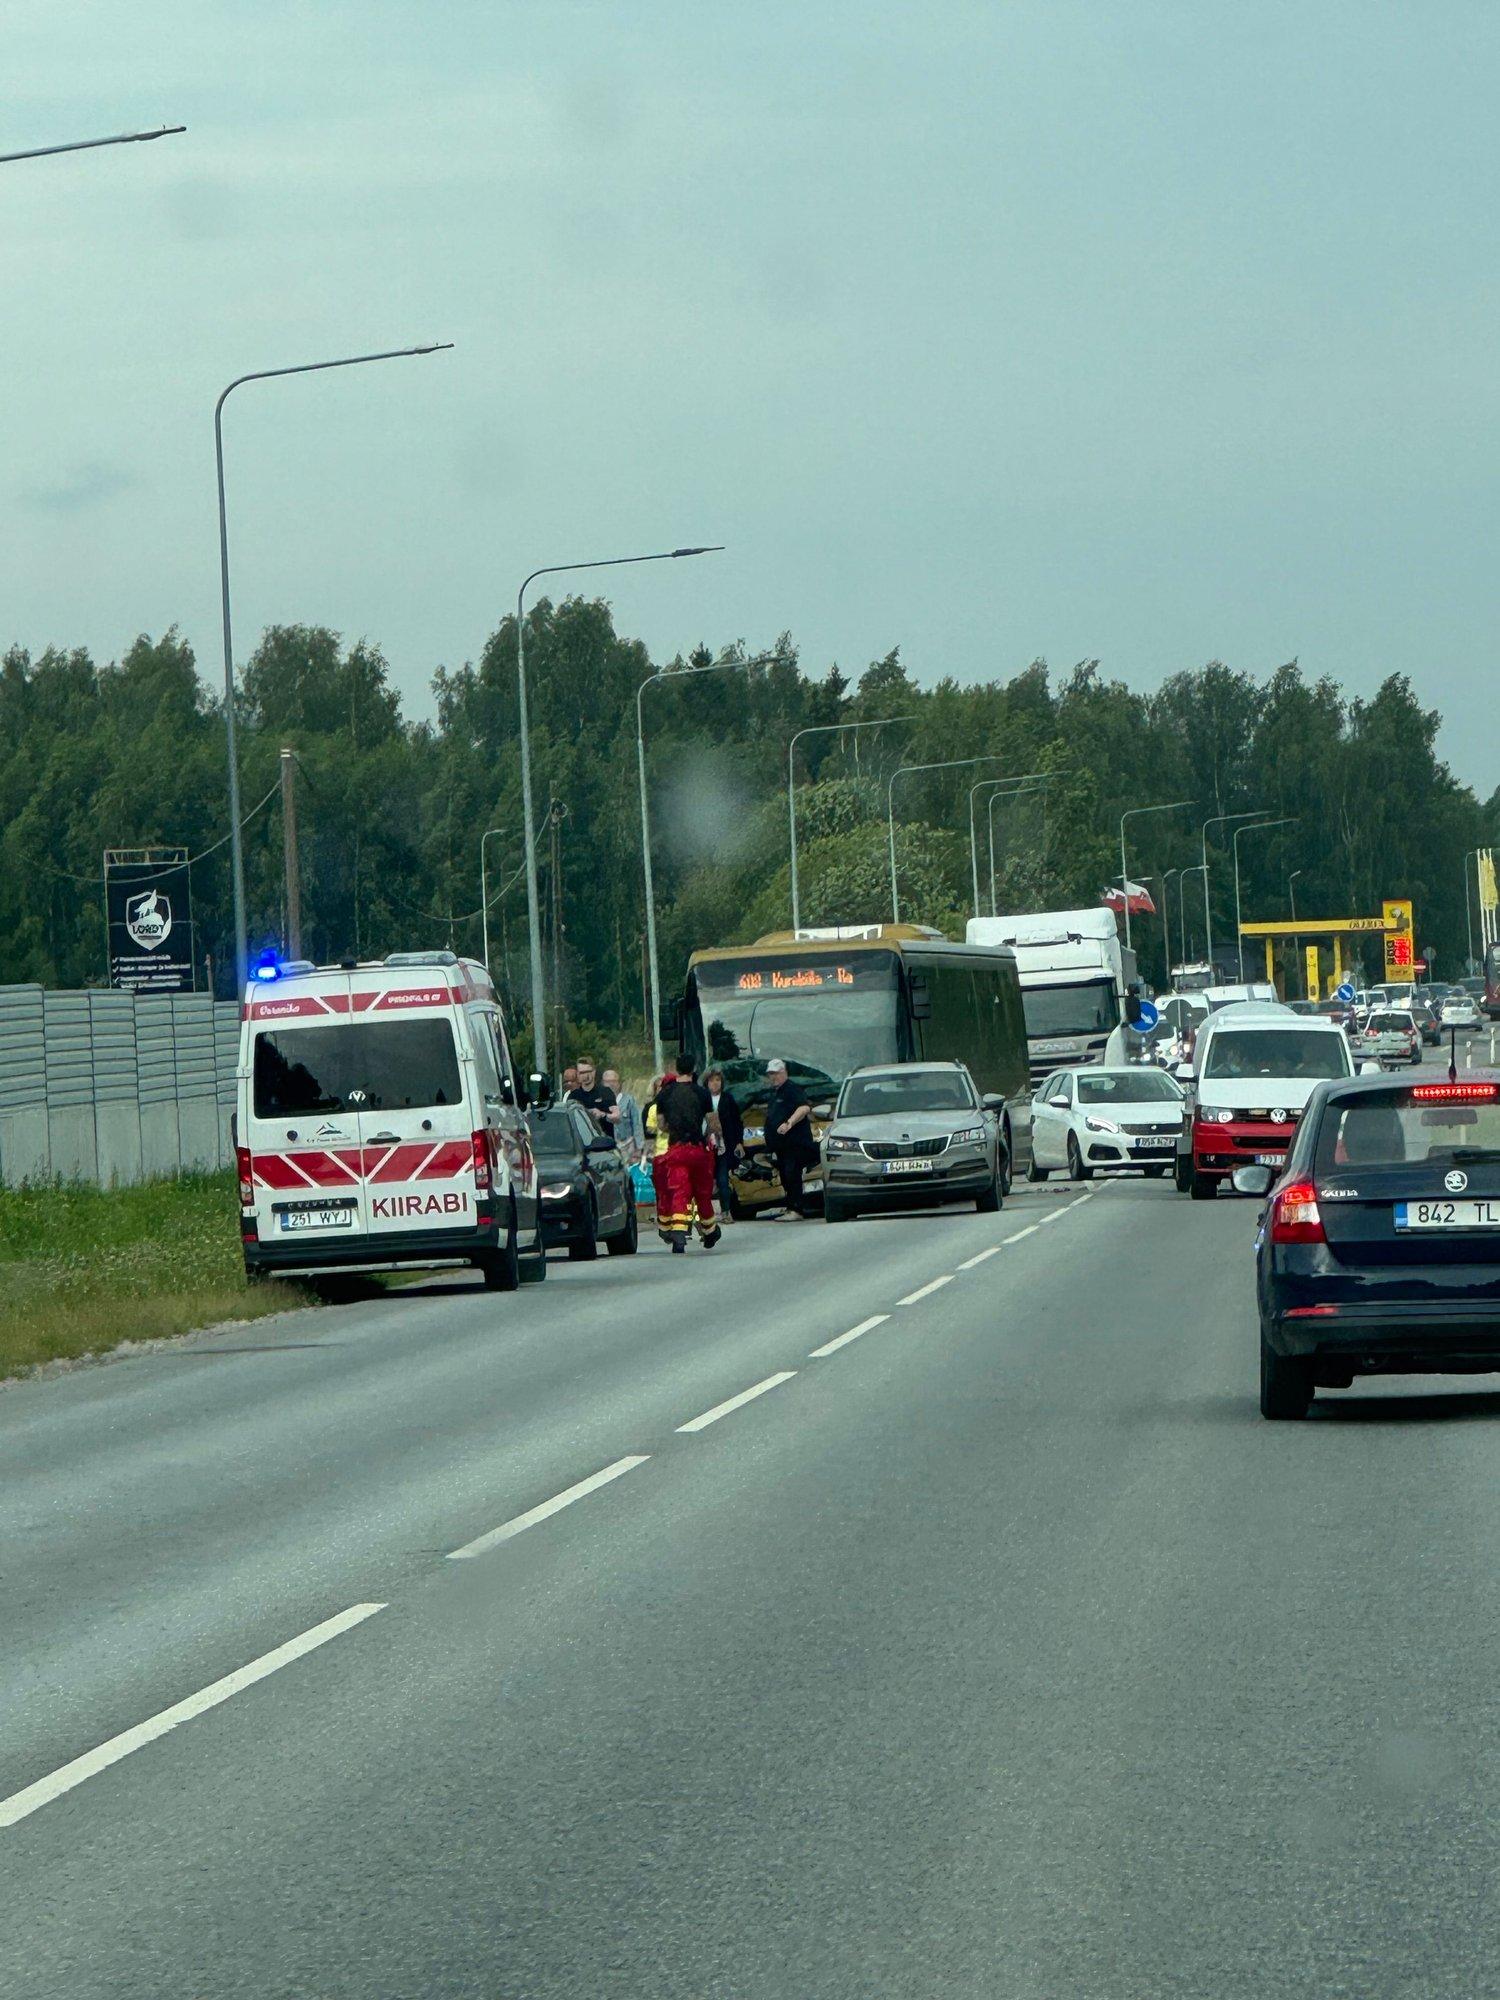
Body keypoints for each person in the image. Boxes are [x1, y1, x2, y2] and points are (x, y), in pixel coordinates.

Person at [651, 1061, 721, 1252]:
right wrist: (711, 1138)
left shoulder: (665, 1094)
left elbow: (661, 1125)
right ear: (693, 1070)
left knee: (679, 1191)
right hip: (698, 1150)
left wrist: (675, 1128)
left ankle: (679, 1234)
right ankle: (710, 1231)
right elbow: (713, 1123)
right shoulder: (702, 1093)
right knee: (702, 1193)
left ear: (677, 1070)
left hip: (676, 1150)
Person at [762, 1057, 817, 1219]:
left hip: (794, 1143)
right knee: (785, 1175)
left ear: (784, 1072)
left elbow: (804, 1108)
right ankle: (790, 1206)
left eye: (776, 1073)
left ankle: (796, 1209)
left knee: (792, 1173)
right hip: (781, 1146)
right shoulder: (775, 1092)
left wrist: (789, 1123)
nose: (773, 1077)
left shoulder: (791, 1089)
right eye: (770, 1074)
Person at [703, 1068, 744, 1220]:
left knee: (722, 1179)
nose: (715, 1083)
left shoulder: (728, 1099)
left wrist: (739, 1142)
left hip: (724, 1146)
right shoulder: (702, 1099)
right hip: (706, 1145)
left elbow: (737, 1122)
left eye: (718, 1080)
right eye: (711, 1080)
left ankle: (726, 1211)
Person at [603, 1067, 644, 1162]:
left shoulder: (629, 1100)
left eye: (614, 1081)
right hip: (606, 1148)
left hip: (627, 1146)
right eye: (608, 1081)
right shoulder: (598, 1102)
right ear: (603, 1083)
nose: (611, 1084)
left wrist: (639, 1147)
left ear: (619, 1083)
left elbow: (636, 1124)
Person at [567, 1057, 618, 1133]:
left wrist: (602, 1115)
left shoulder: (606, 1092)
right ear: (577, 1074)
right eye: (581, 1073)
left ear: (594, 1072)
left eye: (588, 1072)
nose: (585, 1076)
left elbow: (617, 1118)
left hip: (605, 1138)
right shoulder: (573, 1096)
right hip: (582, 1139)